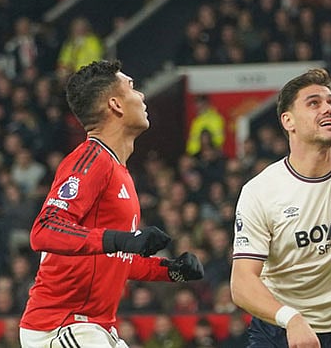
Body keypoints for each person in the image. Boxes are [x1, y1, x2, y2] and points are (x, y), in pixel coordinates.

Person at [19, 60, 204, 348]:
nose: (141, 96)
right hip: (61, 325)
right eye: (132, 88)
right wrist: (122, 239)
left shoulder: (117, 170)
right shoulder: (90, 160)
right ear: (115, 104)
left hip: (94, 327)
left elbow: (113, 260)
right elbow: (44, 230)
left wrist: (169, 269)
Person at [231, 68, 331, 348]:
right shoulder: (260, 191)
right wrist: (291, 318)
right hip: (281, 328)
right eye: (314, 103)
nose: (328, 109)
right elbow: (242, 283)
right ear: (288, 121)